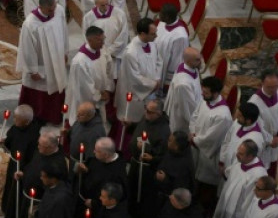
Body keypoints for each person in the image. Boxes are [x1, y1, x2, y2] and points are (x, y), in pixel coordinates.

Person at [208, 140, 268, 218]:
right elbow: (228, 173)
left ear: (250, 156)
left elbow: (250, 204)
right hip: (225, 212)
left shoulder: (258, 175)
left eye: (240, 154)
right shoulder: (240, 162)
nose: (237, 155)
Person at [11, 130, 68, 218]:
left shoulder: (57, 164)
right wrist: (23, 173)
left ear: (50, 147)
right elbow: (32, 166)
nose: (37, 147)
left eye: (40, 145)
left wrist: (40, 206)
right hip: (28, 197)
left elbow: (56, 189)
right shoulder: (41, 151)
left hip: (39, 203)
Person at [17, 0, 69, 124]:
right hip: (41, 63)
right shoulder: (30, 24)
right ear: (40, 7)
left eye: (54, 7)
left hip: (56, 59)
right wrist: (33, 70)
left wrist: (65, 51)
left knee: (56, 86)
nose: (52, 12)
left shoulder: (59, 11)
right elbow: (27, 48)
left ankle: (54, 115)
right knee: (39, 91)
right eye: (49, 10)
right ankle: (38, 117)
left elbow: (64, 31)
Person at [114, 17, 161, 154]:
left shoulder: (152, 44)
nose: (156, 36)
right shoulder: (130, 52)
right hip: (135, 93)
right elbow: (134, 78)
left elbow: (159, 61)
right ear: (142, 34)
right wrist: (153, 84)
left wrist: (157, 79)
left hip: (150, 89)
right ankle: (128, 149)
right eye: (153, 33)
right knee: (132, 119)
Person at [188, 76, 232, 216]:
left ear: (215, 93)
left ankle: (202, 216)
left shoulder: (223, 115)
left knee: (205, 190)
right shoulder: (204, 101)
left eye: (206, 92)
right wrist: (192, 132)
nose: (202, 94)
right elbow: (194, 117)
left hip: (209, 156)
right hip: (196, 148)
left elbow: (211, 138)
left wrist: (196, 140)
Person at [127, 99, 170, 218]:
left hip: (148, 170)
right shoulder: (146, 118)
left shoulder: (164, 130)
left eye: (150, 112)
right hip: (136, 163)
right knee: (132, 190)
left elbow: (162, 154)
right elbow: (139, 129)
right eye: (146, 109)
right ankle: (131, 213)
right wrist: (130, 125)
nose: (146, 113)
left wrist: (148, 151)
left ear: (159, 114)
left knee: (144, 196)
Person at [0, 104, 42, 218]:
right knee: (10, 187)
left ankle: (16, 215)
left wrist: (24, 171)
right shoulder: (16, 127)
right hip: (14, 163)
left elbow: (34, 158)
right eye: (15, 118)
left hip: (24, 168)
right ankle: (8, 210)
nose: (14, 121)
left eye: (18, 119)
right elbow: (10, 142)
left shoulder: (34, 136)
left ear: (27, 121)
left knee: (17, 191)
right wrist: (4, 142)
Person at [66, 29, 113, 127]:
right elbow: (84, 88)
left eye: (103, 39)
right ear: (90, 40)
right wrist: (99, 96)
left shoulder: (101, 51)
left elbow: (108, 69)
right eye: (100, 40)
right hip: (86, 100)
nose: (103, 43)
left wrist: (106, 89)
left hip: (100, 95)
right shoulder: (80, 61)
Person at [81, 0, 129, 78]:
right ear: (96, 4)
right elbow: (87, 38)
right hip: (98, 58)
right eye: (103, 5)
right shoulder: (88, 18)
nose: (106, 7)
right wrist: (100, 54)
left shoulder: (119, 14)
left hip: (114, 56)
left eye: (107, 3)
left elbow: (123, 36)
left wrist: (109, 52)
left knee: (115, 80)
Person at [76, 137, 127, 211]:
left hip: (98, 210)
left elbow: (114, 197)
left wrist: (94, 203)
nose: (93, 152)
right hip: (84, 201)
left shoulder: (117, 174)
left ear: (105, 155)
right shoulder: (97, 159)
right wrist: (85, 171)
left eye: (96, 151)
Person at [247, 68, 278, 174]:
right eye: (270, 87)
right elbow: (256, 126)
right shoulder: (254, 103)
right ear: (262, 83)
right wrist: (270, 140)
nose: (273, 90)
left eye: (275, 86)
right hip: (266, 144)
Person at [219, 103, 265, 175]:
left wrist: (227, 172)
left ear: (248, 120)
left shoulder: (255, 139)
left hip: (236, 174)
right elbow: (227, 140)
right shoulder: (238, 123)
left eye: (240, 116)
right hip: (226, 166)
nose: (237, 117)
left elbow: (246, 161)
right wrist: (222, 160)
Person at [164, 47, 201, 133]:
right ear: (188, 61)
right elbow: (188, 110)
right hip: (183, 121)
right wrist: (199, 123)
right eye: (197, 60)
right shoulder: (183, 84)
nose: (201, 61)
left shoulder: (190, 67)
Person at [154, 4, 190, 90]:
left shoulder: (180, 36)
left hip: (164, 68)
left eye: (161, 13)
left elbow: (177, 60)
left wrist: (167, 82)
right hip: (155, 60)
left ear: (167, 17)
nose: (159, 15)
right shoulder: (162, 23)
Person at [153, 131, 195, 202]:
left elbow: (180, 188)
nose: (167, 142)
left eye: (170, 141)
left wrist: (164, 179)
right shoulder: (171, 152)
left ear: (176, 146)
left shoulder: (184, 164)